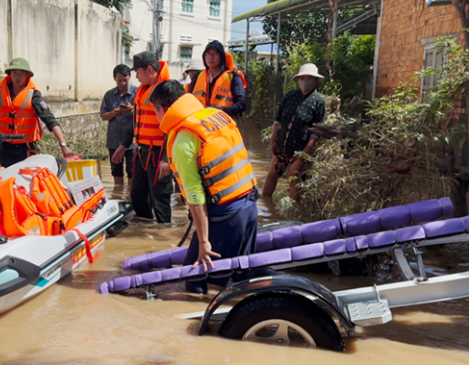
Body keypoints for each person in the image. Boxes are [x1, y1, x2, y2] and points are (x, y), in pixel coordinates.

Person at [150, 80, 261, 292]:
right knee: (240, 275)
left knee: (195, 278)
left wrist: (203, 243)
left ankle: (201, 324)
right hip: (249, 205)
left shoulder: (183, 140)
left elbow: (195, 197)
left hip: (226, 214)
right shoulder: (215, 115)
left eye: (155, 112)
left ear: (163, 110)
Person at [114, 51, 173, 223]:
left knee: (160, 197)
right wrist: (124, 145)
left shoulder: (166, 91)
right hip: (142, 152)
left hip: (159, 152)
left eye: (138, 72)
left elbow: (174, 128)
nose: (136, 76)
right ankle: (144, 233)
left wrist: (166, 159)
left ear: (149, 70)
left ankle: (164, 236)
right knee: (137, 195)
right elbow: (137, 122)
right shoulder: (142, 90)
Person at [0, 58, 73, 168]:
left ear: (27, 75)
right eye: (14, 73)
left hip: (27, 148)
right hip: (6, 148)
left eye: (21, 73)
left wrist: (63, 145)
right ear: (10, 74)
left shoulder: (33, 95)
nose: (17, 77)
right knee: (5, 180)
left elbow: (50, 120)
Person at [262, 63, 326, 200]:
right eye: (303, 77)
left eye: (309, 78)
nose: (306, 80)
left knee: (294, 181)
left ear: (315, 81)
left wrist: (307, 150)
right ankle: (266, 208)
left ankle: (291, 217)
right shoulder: (290, 96)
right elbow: (278, 120)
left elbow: (317, 130)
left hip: (299, 150)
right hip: (281, 146)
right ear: (298, 80)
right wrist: (273, 140)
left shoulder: (318, 101)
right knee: (271, 176)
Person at [188, 40, 246, 120]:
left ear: (221, 57)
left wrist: (221, 110)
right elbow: (188, 101)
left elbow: (241, 105)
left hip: (223, 126)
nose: (211, 57)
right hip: (200, 125)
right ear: (204, 56)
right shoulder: (197, 77)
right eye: (208, 53)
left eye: (214, 53)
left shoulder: (233, 77)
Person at [100, 64, 137, 189]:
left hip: (132, 141)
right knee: (116, 170)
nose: (122, 83)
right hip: (114, 139)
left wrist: (132, 110)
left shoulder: (137, 93)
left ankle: (131, 197)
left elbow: (143, 114)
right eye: (119, 80)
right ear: (114, 78)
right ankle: (118, 195)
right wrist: (114, 113)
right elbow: (103, 116)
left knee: (132, 171)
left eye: (125, 80)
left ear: (130, 77)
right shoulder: (109, 95)